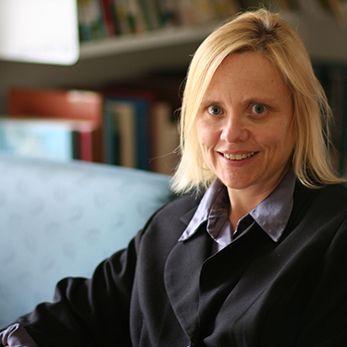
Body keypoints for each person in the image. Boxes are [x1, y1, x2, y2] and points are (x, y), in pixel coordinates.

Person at [2, 7, 347, 347]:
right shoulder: (169, 225)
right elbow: (66, 319)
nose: (231, 133)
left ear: (299, 117)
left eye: (258, 109)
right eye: (214, 110)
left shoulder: (336, 235)